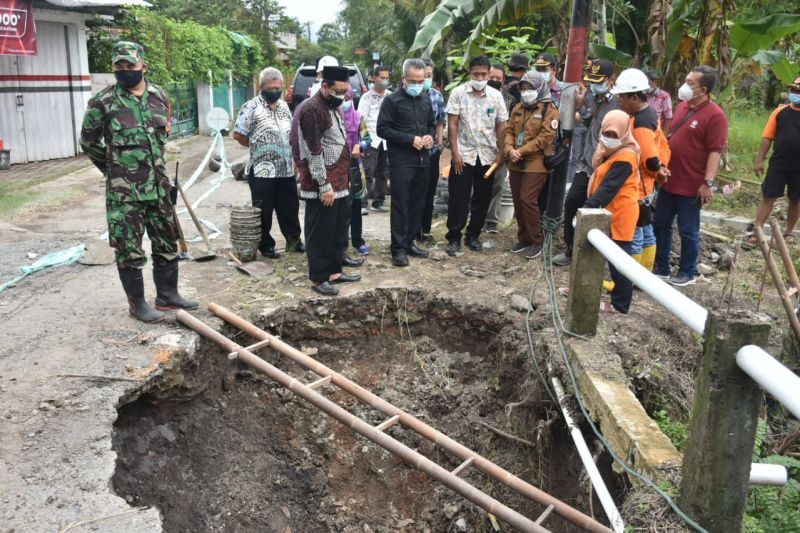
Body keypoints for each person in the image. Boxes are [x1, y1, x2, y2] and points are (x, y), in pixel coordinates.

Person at [80, 41, 198, 323]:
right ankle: (137, 305)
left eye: (130, 66)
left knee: (167, 241)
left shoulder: (160, 96)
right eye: (119, 66)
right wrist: (114, 169)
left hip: (158, 187)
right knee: (129, 250)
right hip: (125, 194)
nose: (125, 71)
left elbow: (162, 138)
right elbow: (88, 141)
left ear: (143, 66)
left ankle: (168, 295)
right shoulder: (103, 102)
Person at [290, 65, 361, 296]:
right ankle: (319, 278)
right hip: (322, 184)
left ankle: (334, 272)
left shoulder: (333, 105)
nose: (343, 95)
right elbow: (314, 150)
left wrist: (343, 180)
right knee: (320, 231)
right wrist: (324, 185)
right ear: (325, 86)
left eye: (345, 91)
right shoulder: (312, 109)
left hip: (339, 180)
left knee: (337, 229)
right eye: (338, 90)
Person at [653, 65, 728, 286]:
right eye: (686, 80)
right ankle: (662, 267)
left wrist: (707, 183)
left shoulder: (716, 116)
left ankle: (688, 272)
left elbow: (715, 151)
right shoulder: (682, 107)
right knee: (661, 223)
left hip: (692, 184)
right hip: (669, 179)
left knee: (688, 230)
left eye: (690, 83)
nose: (685, 86)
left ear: (703, 89)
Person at [552, 59, 618, 266]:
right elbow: (589, 121)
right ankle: (571, 249)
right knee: (572, 202)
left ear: (610, 80)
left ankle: (603, 256)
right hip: (586, 163)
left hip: (608, 165)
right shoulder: (589, 95)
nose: (594, 85)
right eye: (592, 81)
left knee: (604, 209)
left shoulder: (619, 103)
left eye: (599, 81)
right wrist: (581, 108)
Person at [233, 67, 303, 259]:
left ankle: (294, 241)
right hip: (262, 170)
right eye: (271, 88)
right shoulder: (251, 107)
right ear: (261, 87)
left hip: (286, 168)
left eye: (278, 88)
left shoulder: (283, 107)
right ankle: (266, 245)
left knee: (290, 207)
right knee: (263, 210)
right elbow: (238, 134)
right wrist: (257, 145)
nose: (275, 91)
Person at [445, 55, 509, 256]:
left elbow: (501, 125)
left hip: (488, 156)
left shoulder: (495, 96)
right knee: (458, 198)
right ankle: (454, 237)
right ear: (469, 74)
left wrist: (501, 153)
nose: (480, 78)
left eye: (483, 74)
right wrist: (455, 153)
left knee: (482, 198)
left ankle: (473, 235)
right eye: (476, 74)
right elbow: (453, 124)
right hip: (463, 155)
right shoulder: (458, 93)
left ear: (489, 74)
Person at [377, 58, 436, 267]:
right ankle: (398, 248)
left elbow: (431, 125)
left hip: (423, 160)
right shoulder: (392, 101)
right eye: (413, 81)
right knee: (401, 204)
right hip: (401, 160)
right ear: (403, 79)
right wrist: (409, 139)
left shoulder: (426, 100)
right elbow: (382, 129)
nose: (417, 85)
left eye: (421, 80)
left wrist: (430, 137)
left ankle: (410, 241)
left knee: (418, 202)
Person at [612, 68, 670, 274]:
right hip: (646, 185)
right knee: (646, 229)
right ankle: (644, 273)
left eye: (622, 98)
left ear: (634, 97)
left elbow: (650, 158)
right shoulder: (649, 112)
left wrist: (658, 169)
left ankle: (630, 276)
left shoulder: (642, 121)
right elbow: (661, 146)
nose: (620, 102)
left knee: (634, 231)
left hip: (638, 185)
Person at [584, 110, 641, 313]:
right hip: (607, 211)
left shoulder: (626, 156)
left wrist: (588, 207)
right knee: (600, 253)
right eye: (607, 134)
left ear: (625, 133)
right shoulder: (608, 151)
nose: (609, 139)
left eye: (615, 136)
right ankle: (586, 291)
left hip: (621, 213)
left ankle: (620, 304)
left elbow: (609, 187)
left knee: (619, 261)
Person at [504, 71, 559, 259]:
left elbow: (545, 137)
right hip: (514, 160)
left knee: (528, 199)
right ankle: (524, 237)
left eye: (530, 89)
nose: (527, 92)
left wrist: (522, 151)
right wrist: (510, 148)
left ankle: (537, 240)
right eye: (524, 88)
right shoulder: (518, 107)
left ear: (539, 88)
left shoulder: (549, 109)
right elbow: (509, 130)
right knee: (518, 200)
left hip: (535, 161)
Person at [751, 77, 800, 244]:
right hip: (778, 164)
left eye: (799, 91)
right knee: (769, 196)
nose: (795, 94)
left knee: (796, 198)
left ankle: (789, 232)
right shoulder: (780, 112)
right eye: (794, 91)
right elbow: (767, 137)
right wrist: (759, 160)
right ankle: (757, 230)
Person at [483, 62, 515, 234]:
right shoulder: (478, 96)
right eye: (492, 77)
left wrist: (504, 147)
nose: (494, 80)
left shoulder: (509, 100)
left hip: (500, 148)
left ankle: (491, 220)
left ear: (503, 80)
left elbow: (510, 126)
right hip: (480, 148)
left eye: (498, 78)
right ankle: (478, 216)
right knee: (480, 184)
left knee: (498, 185)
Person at [418, 58, 447, 244]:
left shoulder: (437, 96)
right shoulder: (409, 96)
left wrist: (440, 140)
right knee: (416, 192)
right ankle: (412, 229)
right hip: (414, 151)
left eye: (429, 75)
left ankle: (425, 230)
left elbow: (440, 121)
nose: (426, 79)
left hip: (433, 151)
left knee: (429, 191)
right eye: (423, 76)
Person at [341, 86, 371, 258]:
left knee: (356, 206)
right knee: (341, 208)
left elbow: (367, 138)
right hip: (337, 168)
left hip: (354, 167)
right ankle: (341, 243)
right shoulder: (332, 117)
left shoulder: (358, 118)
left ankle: (358, 241)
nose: (344, 102)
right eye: (342, 98)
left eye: (347, 98)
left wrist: (360, 145)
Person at [358, 66, 392, 213]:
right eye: (381, 78)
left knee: (383, 172)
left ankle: (378, 201)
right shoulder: (366, 97)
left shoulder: (391, 97)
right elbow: (361, 120)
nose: (384, 81)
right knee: (367, 171)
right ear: (374, 78)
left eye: (387, 78)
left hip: (386, 139)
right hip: (371, 138)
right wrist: (363, 142)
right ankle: (362, 203)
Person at [645, 69, 673, 133]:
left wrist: (665, 135)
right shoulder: (642, 95)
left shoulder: (664, 96)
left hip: (656, 132)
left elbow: (668, 118)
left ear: (654, 82)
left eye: (648, 83)